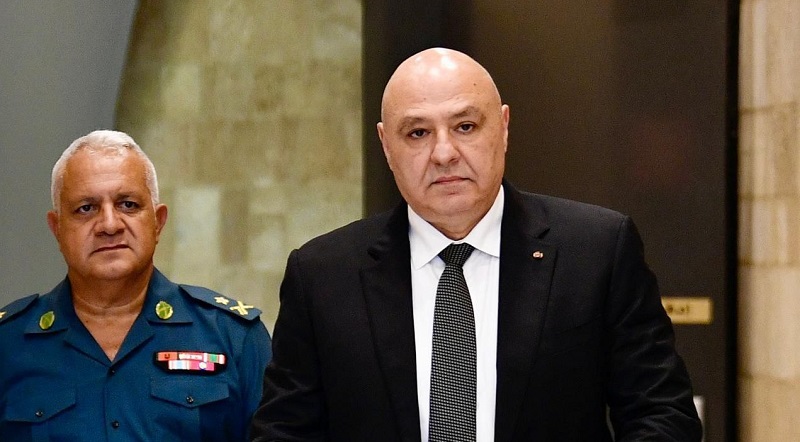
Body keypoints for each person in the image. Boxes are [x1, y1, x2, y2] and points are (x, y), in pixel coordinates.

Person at [249, 48, 701, 441]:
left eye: (465, 126)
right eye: (418, 133)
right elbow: (284, 432)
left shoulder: (596, 251)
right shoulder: (323, 275)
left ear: (502, 127)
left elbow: (662, 414)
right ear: (386, 145)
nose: (444, 153)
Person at [0, 130, 272, 441]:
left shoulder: (234, 338)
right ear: (57, 228)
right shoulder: (8, 343)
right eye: (86, 208)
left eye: (128, 205)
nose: (109, 225)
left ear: (158, 222)